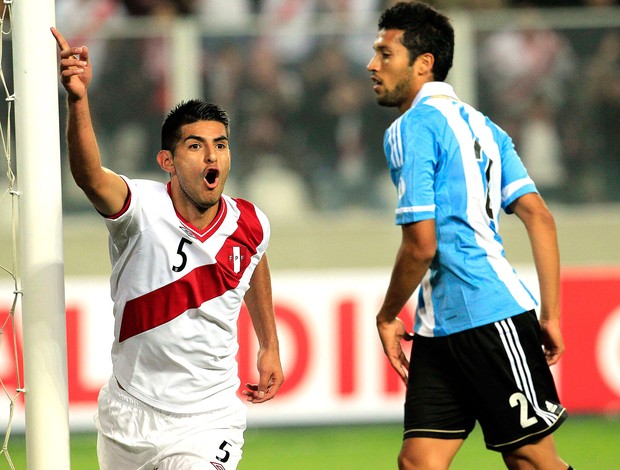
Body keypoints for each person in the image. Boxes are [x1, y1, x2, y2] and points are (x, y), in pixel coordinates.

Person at [52, 27, 284, 470]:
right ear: (168, 161)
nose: (211, 157)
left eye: (220, 145)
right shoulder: (139, 210)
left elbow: (254, 262)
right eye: (195, 146)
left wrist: (269, 344)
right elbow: (89, 176)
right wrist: (78, 100)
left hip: (209, 418)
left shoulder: (251, 222)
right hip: (129, 415)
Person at [367, 3, 572, 469]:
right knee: (418, 461)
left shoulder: (410, 128)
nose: (372, 64)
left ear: (423, 63)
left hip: (487, 315)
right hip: (440, 327)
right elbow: (539, 216)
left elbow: (422, 244)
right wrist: (552, 315)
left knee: (534, 462)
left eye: (385, 52)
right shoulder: (486, 127)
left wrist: (385, 314)